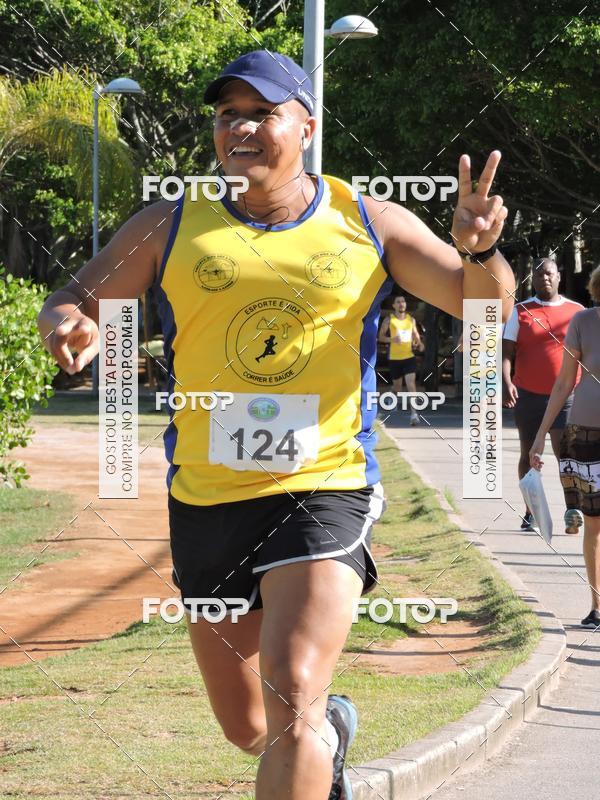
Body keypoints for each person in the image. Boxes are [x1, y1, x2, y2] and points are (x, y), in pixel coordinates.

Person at [38, 50, 514, 800]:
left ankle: (314, 729)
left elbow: (484, 304)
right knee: (251, 727)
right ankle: (331, 738)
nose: (241, 127)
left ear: (307, 128)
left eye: (263, 112)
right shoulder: (171, 222)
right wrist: (68, 324)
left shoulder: (367, 220)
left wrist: (479, 253)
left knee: (292, 692)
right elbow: (74, 296)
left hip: (324, 488)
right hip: (206, 499)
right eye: (228, 114)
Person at [530, 266, 600, 628]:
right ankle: (597, 606)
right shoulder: (583, 321)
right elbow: (564, 383)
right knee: (594, 524)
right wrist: (541, 433)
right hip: (586, 432)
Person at [502, 258, 584, 533]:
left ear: (559, 276)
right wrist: (506, 382)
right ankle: (531, 512)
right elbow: (506, 353)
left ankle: (572, 511)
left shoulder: (577, 312)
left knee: (565, 454)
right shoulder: (520, 311)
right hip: (528, 395)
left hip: (567, 398)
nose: (544, 279)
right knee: (529, 454)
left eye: (549, 274)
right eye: (538, 275)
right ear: (533, 280)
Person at [378, 295, 423, 425]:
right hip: (395, 359)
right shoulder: (389, 320)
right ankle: (392, 394)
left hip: (409, 357)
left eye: (403, 301)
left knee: (411, 384)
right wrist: (392, 339)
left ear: (405, 304)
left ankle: (414, 414)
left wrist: (419, 343)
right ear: (394, 306)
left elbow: (416, 335)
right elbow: (381, 337)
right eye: (398, 302)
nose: (401, 304)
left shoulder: (411, 320)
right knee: (398, 387)